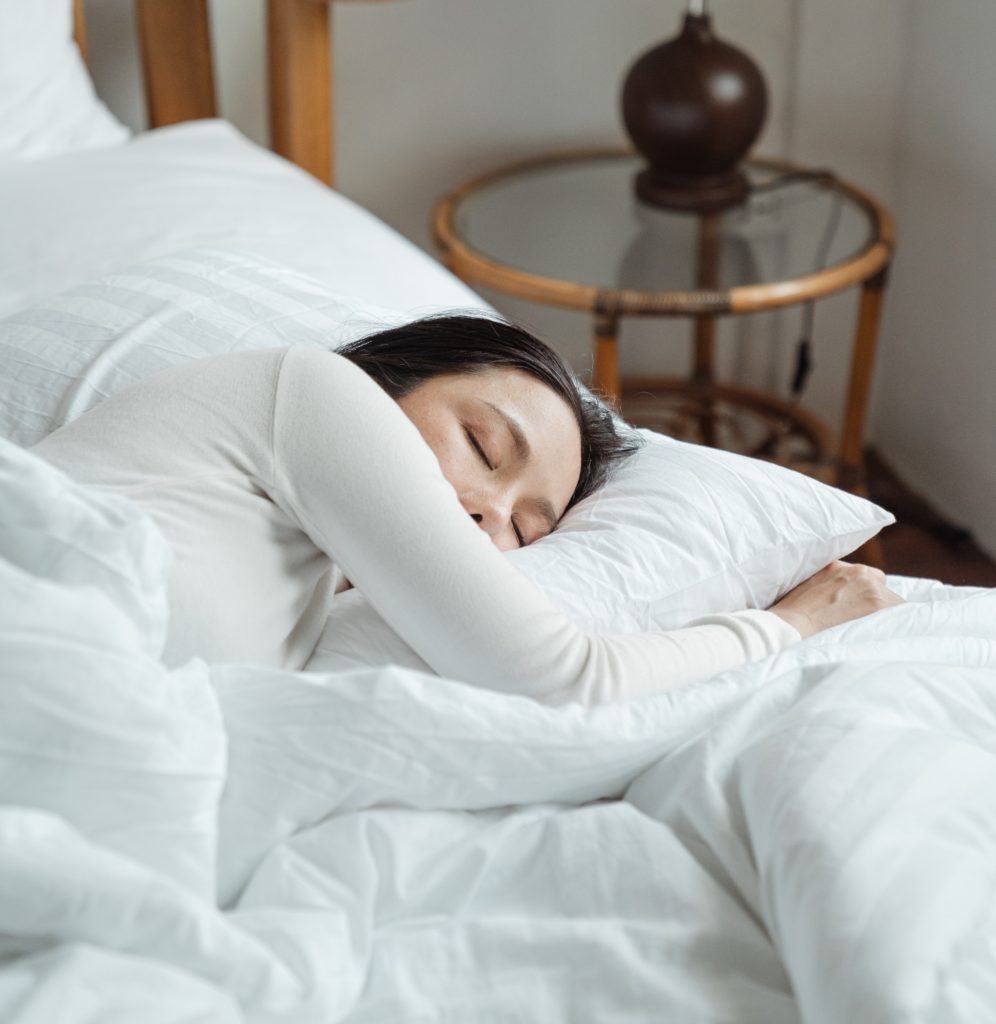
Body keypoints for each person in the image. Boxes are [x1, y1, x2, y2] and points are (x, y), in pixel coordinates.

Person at [31, 314, 902, 705]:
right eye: (485, 447)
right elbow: (565, 678)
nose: (489, 516)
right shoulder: (311, 390)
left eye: (528, 530)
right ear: (383, 377)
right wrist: (785, 626)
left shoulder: (306, 583)